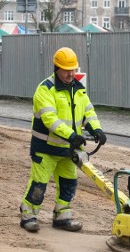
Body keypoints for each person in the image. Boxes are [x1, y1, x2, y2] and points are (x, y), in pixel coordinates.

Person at [18, 47, 106, 233]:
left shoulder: (78, 90)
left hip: (67, 150)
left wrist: (96, 129)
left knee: (68, 184)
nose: (71, 74)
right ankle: (28, 215)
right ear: (57, 67)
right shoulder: (45, 89)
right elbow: (50, 120)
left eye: (73, 69)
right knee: (39, 185)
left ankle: (62, 217)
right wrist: (72, 136)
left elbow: (88, 112)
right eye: (67, 70)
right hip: (45, 148)